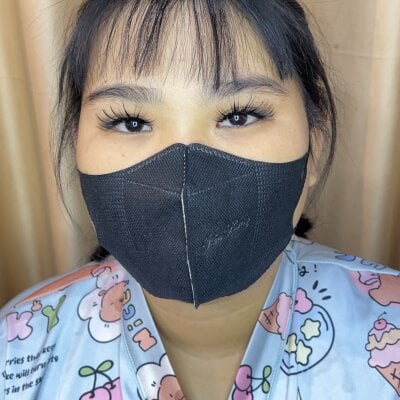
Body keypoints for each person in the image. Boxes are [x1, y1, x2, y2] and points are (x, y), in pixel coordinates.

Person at [1, 1, 400, 399]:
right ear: (76, 146)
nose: (183, 174)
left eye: (239, 115)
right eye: (131, 121)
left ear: (315, 143)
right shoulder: (16, 349)